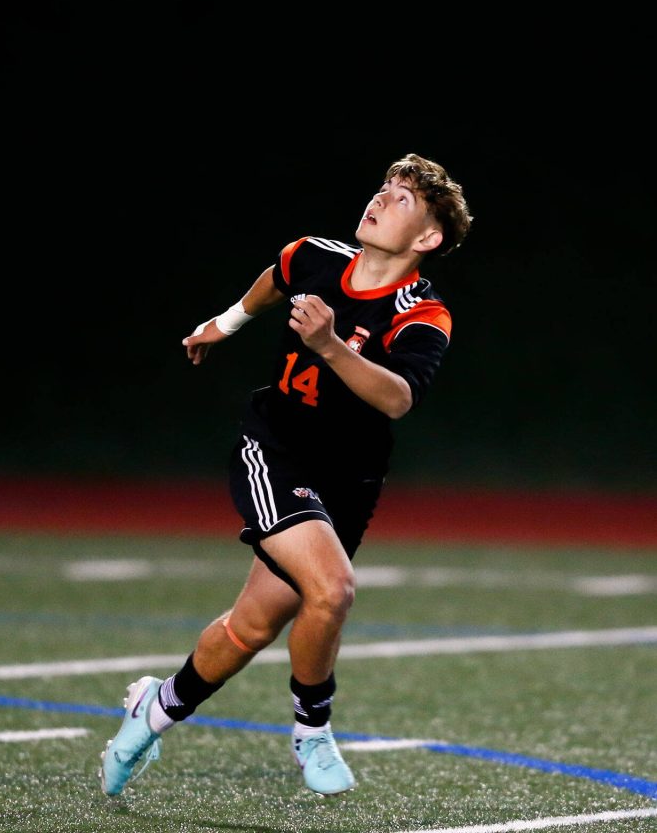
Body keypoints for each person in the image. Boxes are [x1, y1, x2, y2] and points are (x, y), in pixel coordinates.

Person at [99, 152, 472, 798]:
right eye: (383, 187)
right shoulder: (316, 256)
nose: (381, 198)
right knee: (332, 591)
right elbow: (277, 275)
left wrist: (328, 345)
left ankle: (150, 713)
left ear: (428, 238)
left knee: (250, 626)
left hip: (349, 478)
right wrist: (225, 323)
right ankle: (312, 730)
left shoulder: (422, 312)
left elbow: (396, 399)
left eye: (403, 198)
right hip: (275, 448)